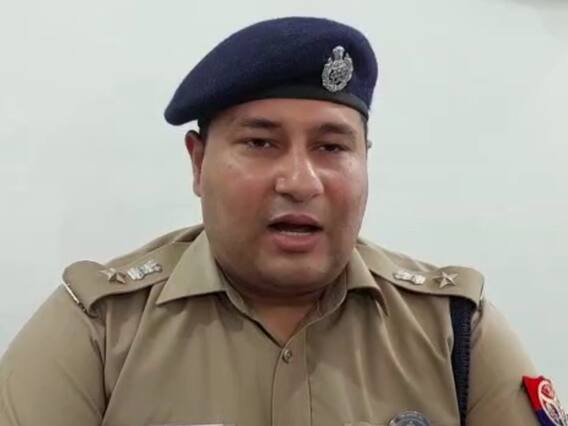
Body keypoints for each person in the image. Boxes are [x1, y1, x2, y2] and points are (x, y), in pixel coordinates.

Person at [0, 16, 564, 426]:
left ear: (365, 160)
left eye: (331, 147)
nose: (299, 181)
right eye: (261, 143)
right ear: (198, 163)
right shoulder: (100, 327)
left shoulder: (453, 329)